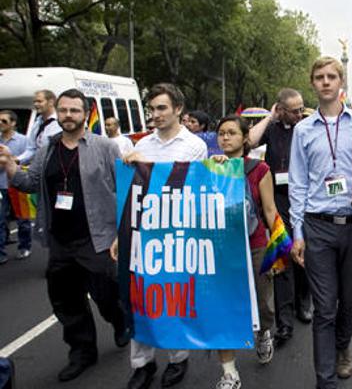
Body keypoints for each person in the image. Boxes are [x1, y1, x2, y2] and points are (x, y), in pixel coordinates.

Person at [0, 89, 128, 382]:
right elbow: (29, 182)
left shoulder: (105, 147)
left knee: (107, 294)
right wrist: (9, 165)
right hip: (60, 240)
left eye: (74, 110)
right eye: (63, 110)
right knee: (67, 302)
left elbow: (124, 188)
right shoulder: (48, 147)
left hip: (97, 238)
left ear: (85, 114)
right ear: (57, 113)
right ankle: (82, 352)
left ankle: (120, 320)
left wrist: (121, 233)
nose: (68, 115)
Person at [289, 57, 352, 389]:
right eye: (319, 77)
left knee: (348, 298)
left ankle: (342, 348)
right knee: (325, 307)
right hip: (317, 226)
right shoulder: (302, 130)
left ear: (342, 82)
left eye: (331, 76)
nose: (325, 82)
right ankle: (325, 381)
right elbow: (297, 184)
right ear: (312, 83)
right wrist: (297, 233)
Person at [119, 83, 208, 389]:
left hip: (177, 234)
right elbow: (129, 192)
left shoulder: (195, 146)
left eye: (161, 108)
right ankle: (141, 364)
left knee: (171, 296)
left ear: (178, 109)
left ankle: (177, 357)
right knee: (139, 297)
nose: (155, 114)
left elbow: (200, 190)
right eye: (152, 109)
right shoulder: (141, 145)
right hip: (142, 234)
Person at [211, 115, 278, 389]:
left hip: (255, 245)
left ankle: (263, 333)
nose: (225, 138)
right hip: (221, 249)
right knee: (222, 309)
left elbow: (270, 211)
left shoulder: (259, 169)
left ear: (245, 138)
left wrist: (280, 250)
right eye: (221, 133)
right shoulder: (209, 168)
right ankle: (229, 373)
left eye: (232, 133)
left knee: (260, 303)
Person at [249, 88, 313, 348]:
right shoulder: (272, 129)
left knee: (304, 252)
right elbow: (250, 141)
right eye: (294, 110)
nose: (299, 114)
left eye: (301, 109)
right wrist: (269, 117)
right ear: (281, 110)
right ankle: (284, 321)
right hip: (278, 201)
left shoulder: (308, 126)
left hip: (305, 198)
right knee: (283, 254)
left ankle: (303, 302)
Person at [0, 111, 31, 263]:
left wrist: (11, 160)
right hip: (1, 186)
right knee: (0, 219)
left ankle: (24, 246)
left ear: (13, 123)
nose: (0, 123)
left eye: (4, 121)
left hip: (18, 185)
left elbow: (29, 159)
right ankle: (1, 253)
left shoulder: (23, 140)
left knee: (22, 219)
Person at [18, 90, 62, 164]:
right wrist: (17, 160)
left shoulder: (61, 122)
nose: (35, 104)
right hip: (39, 167)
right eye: (34, 102)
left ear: (51, 102)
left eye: (39, 101)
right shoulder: (37, 123)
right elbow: (32, 149)